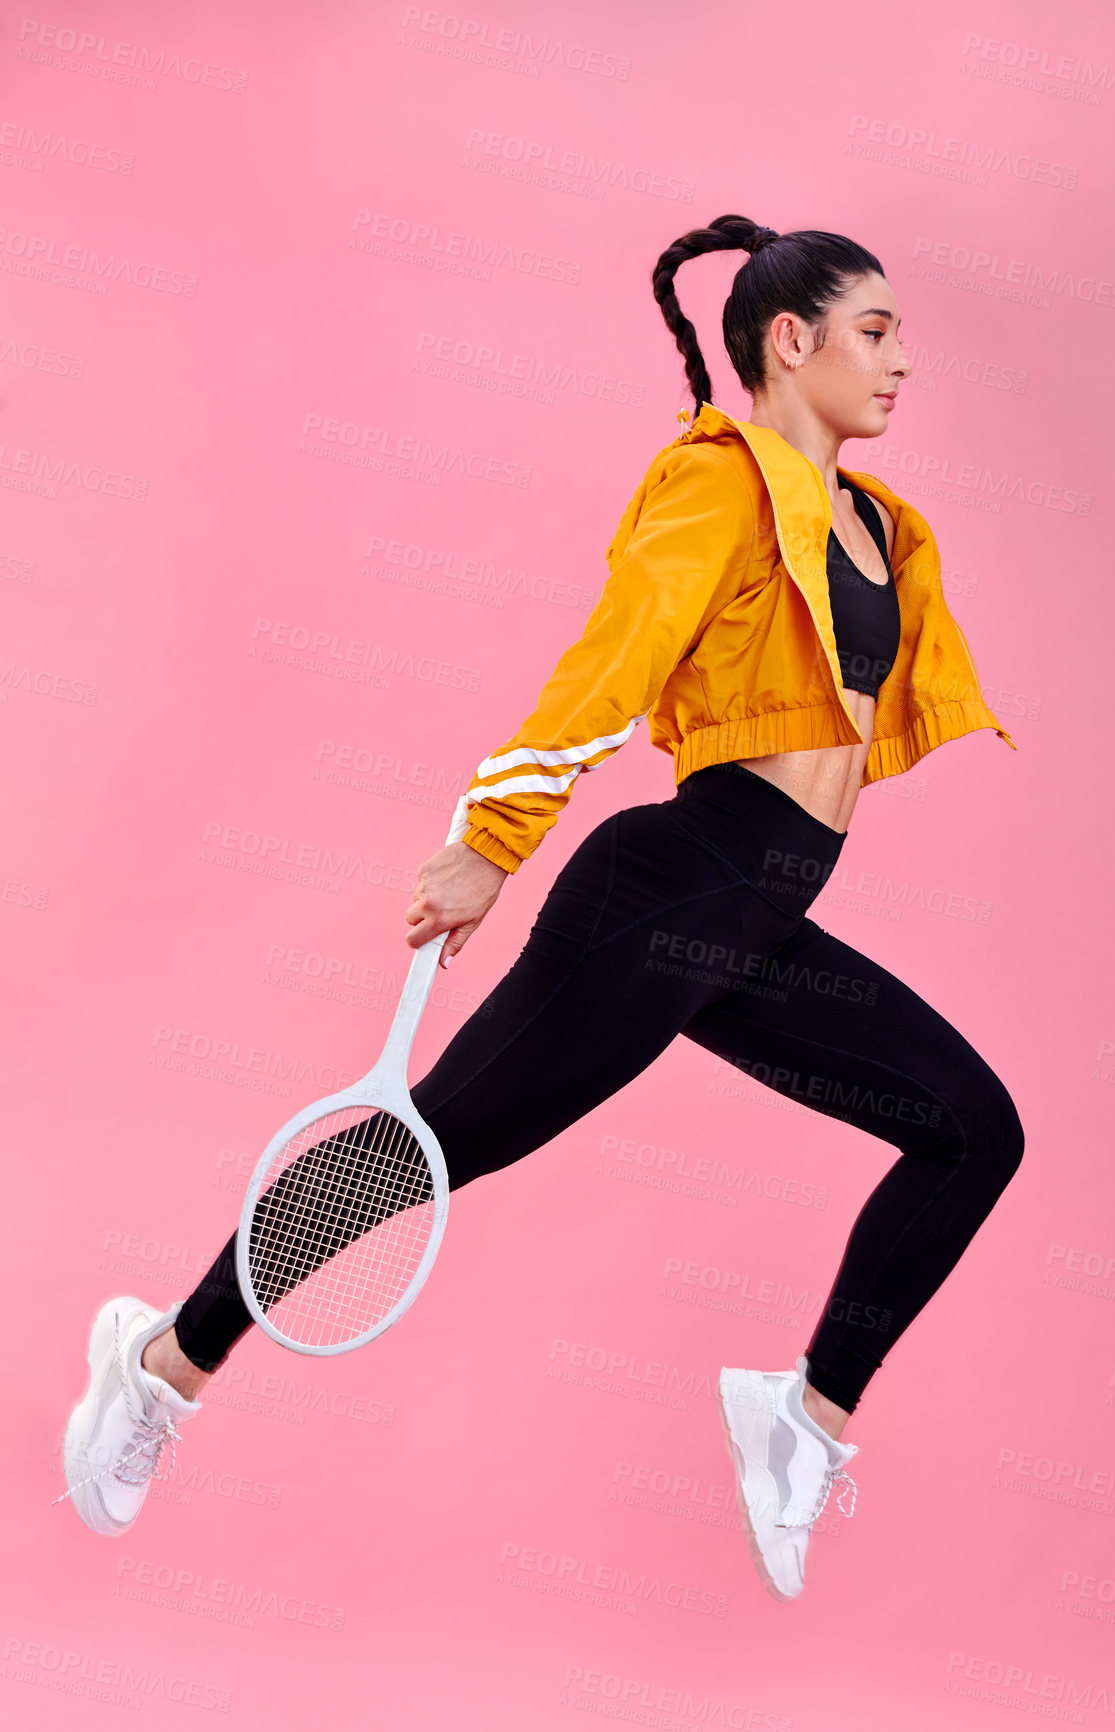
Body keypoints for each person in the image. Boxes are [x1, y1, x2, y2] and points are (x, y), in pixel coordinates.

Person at [61, 214, 1024, 1601]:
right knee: (429, 1151)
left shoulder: (881, 526)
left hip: (757, 915)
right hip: (672, 884)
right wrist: (491, 840)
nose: (903, 362)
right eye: (874, 332)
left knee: (970, 1131)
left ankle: (802, 1419)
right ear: (788, 339)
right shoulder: (718, 481)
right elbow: (612, 659)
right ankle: (164, 1364)